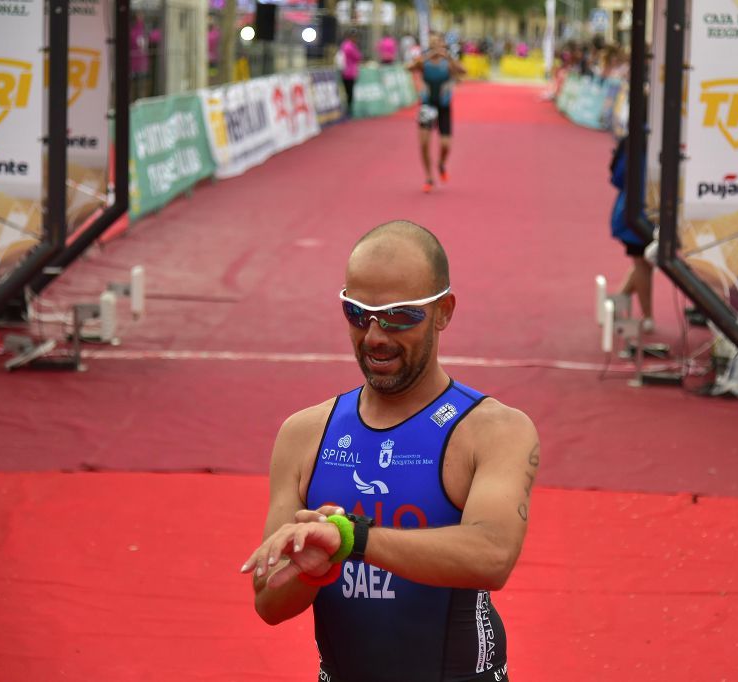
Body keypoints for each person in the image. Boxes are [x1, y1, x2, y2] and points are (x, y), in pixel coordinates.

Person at [241, 221, 540, 682]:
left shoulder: (493, 430)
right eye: (358, 314)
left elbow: (492, 555)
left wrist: (351, 539)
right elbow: (268, 602)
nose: (376, 336)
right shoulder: (304, 434)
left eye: (400, 316)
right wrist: (308, 571)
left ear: (443, 312)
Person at [408, 33, 467, 193]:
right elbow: (408, 68)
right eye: (432, 43)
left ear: (443, 44)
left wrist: (448, 58)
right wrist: (424, 58)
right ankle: (428, 177)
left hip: (443, 106)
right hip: (427, 105)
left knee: (445, 145)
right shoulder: (424, 61)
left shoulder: (447, 62)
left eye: (438, 43)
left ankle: (441, 163)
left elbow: (463, 71)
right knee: (424, 143)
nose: (435, 46)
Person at [609, 137, 654, 332]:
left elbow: (617, 177)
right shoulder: (644, 140)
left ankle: (615, 305)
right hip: (640, 214)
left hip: (639, 212)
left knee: (644, 263)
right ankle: (646, 316)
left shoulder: (632, 141)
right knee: (643, 263)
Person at [339, 30, 363, 110]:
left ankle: (348, 108)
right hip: (349, 72)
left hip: (345, 71)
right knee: (349, 92)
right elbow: (358, 57)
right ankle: (349, 109)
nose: (356, 39)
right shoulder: (350, 46)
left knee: (347, 92)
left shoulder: (344, 45)